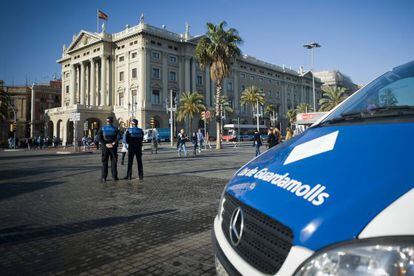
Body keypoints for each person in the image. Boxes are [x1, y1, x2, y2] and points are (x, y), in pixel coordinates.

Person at [98, 116, 119, 183]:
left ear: (107, 121)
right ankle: (114, 177)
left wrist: (105, 144)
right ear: (112, 121)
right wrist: (113, 143)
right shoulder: (115, 128)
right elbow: (118, 137)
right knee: (113, 162)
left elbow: (99, 138)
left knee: (104, 162)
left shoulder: (102, 128)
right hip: (113, 147)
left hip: (105, 147)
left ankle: (104, 177)